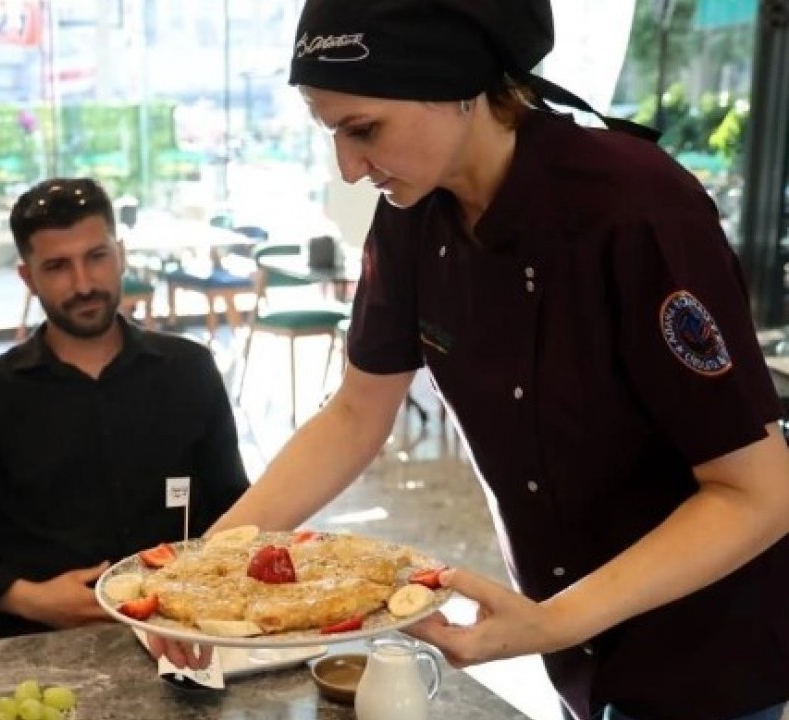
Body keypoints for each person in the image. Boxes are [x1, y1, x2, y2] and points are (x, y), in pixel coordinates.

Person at [152, 2, 789, 719]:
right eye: (331, 134)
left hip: (707, 652)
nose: (350, 169)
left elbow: (758, 494)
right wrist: (203, 571)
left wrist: (554, 620)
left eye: (363, 130)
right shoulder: (413, 217)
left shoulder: (636, 208)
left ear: (457, 85)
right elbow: (358, 413)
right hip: (574, 646)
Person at [0, 177, 249, 638]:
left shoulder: (189, 370)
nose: (84, 284)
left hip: (185, 636)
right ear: (28, 278)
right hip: (42, 646)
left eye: (96, 257)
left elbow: (234, 510)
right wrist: (30, 598)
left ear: (120, 254)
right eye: (57, 267)